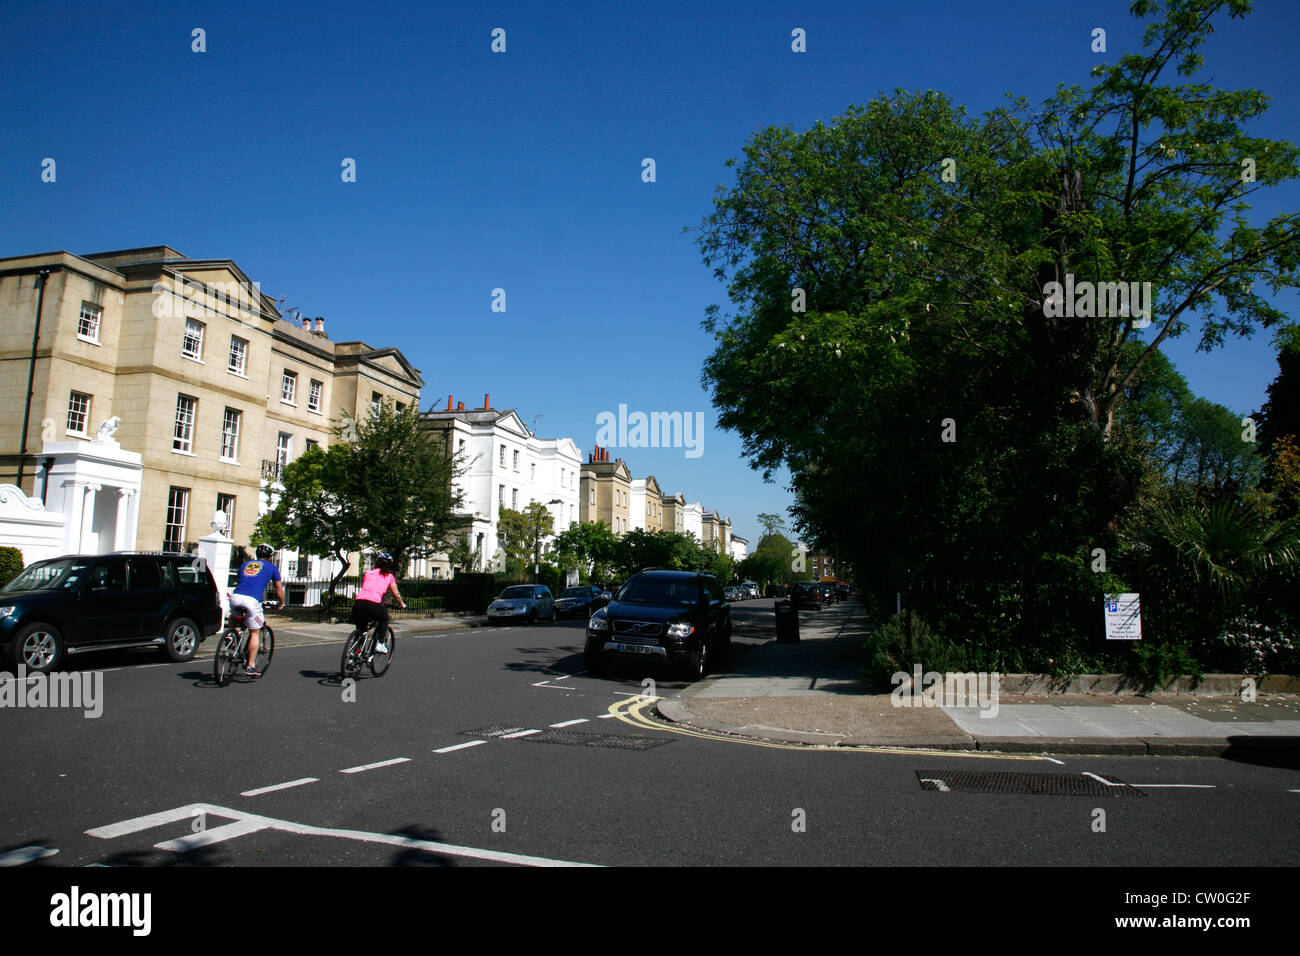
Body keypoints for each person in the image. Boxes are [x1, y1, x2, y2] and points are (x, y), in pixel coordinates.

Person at [228, 544, 284, 677]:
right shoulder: (272, 568)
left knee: (236, 618)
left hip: (235, 597)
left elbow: (245, 580)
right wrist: (281, 603)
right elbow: (278, 589)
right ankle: (251, 666)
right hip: (252, 601)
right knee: (254, 632)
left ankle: (231, 635)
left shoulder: (245, 564)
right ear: (270, 556)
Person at [352, 551, 406, 654]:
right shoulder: (389, 576)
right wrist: (401, 603)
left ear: (377, 562)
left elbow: (366, 587)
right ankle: (380, 643)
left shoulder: (368, 573)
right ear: (389, 565)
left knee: (361, 629)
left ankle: (355, 653)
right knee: (384, 618)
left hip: (359, 603)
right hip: (373, 603)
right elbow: (396, 593)